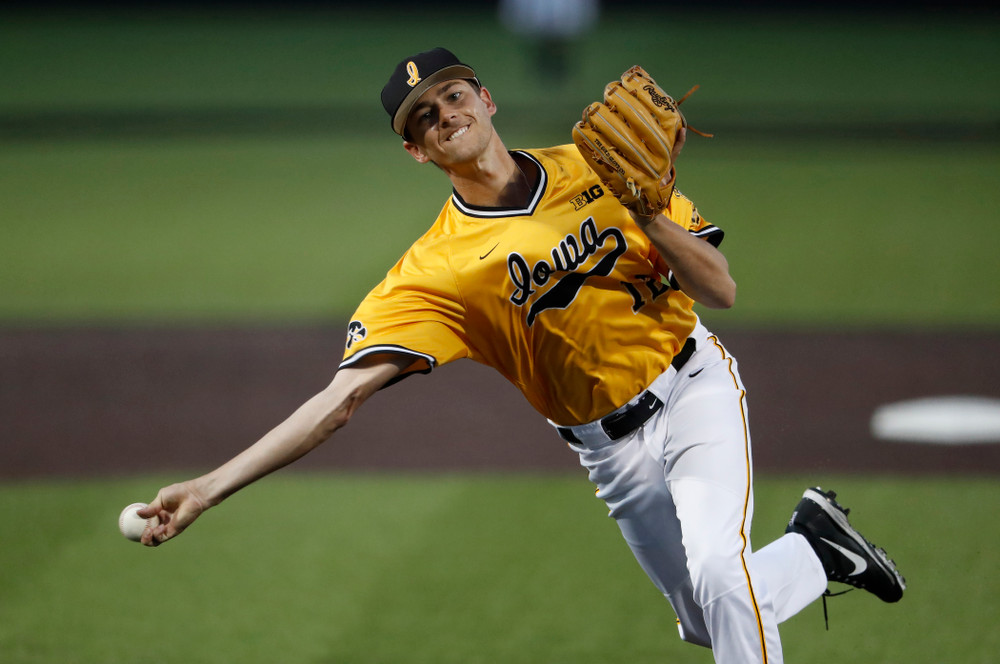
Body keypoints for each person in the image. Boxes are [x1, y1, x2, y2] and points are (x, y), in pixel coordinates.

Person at [138, 48, 905, 663]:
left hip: (693, 388)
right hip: (608, 454)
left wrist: (645, 209)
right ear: (414, 150)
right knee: (711, 616)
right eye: (426, 116)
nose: (448, 115)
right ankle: (817, 549)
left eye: (455, 95)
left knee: (719, 573)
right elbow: (337, 401)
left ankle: (808, 550)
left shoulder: (597, 165)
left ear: (487, 99)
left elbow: (721, 289)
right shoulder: (436, 269)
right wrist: (210, 486)